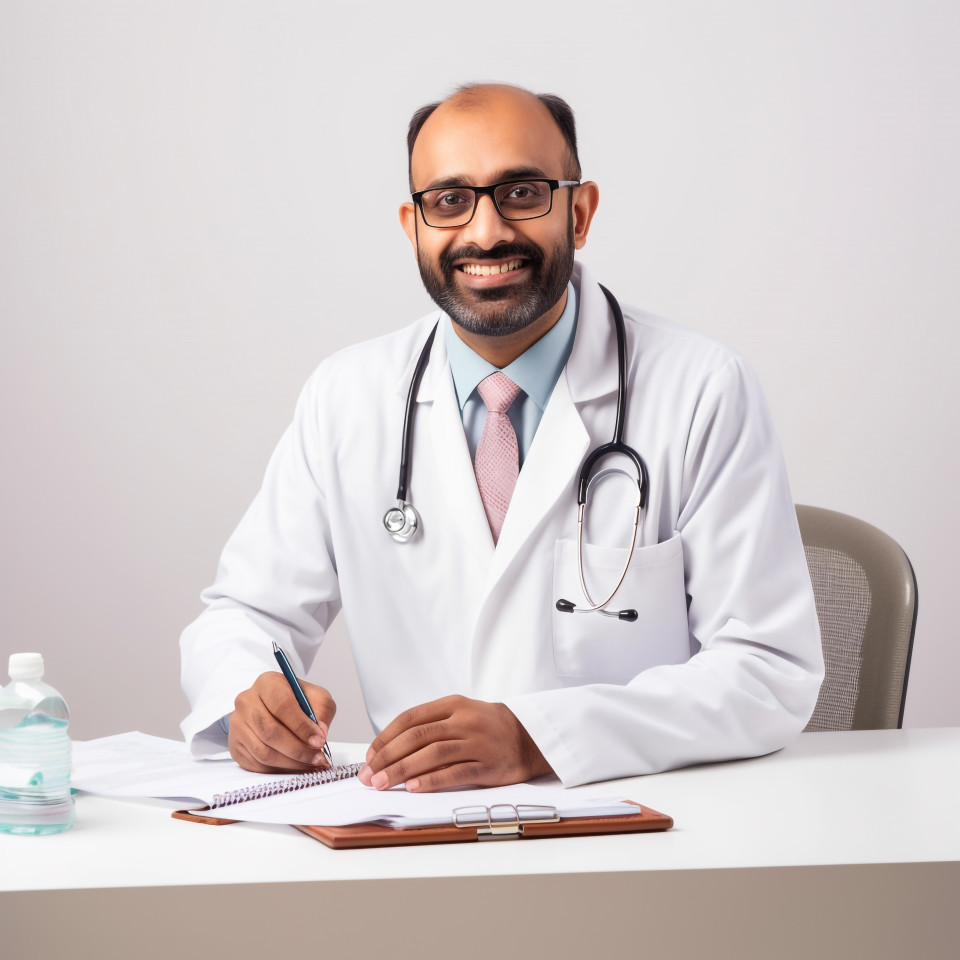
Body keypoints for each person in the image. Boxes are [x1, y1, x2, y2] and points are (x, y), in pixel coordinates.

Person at [180, 82, 823, 791]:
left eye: (521, 193)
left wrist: (538, 739)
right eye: (449, 201)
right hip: (409, 829)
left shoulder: (702, 388)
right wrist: (252, 695)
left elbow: (768, 670)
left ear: (579, 212)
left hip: (633, 821)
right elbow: (246, 612)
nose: (485, 233)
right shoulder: (348, 396)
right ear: (412, 225)